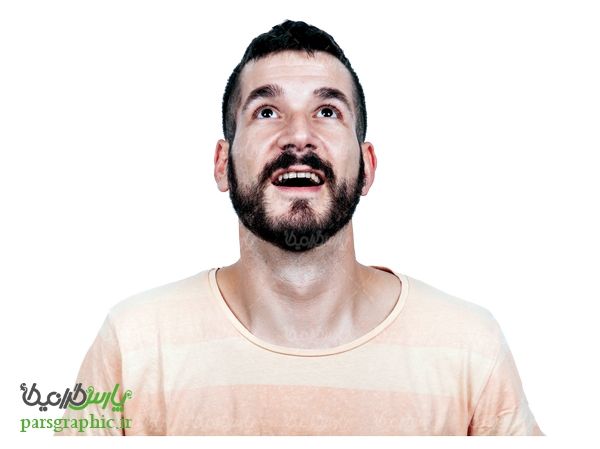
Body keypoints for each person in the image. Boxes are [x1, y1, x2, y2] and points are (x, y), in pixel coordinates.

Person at [57, 20, 543, 436]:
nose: (298, 136)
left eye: (327, 112)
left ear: (368, 167)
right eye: (266, 112)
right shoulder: (134, 344)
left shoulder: (469, 348)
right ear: (222, 164)